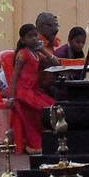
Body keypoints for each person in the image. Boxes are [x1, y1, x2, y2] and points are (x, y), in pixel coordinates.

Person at [10, 23, 56, 153]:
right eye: (30, 36)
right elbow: (15, 76)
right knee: (41, 109)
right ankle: (35, 143)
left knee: (53, 106)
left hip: (34, 91)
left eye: (36, 35)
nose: (34, 39)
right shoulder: (23, 54)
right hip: (24, 92)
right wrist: (12, 97)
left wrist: (42, 50)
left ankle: (50, 138)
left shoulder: (35, 53)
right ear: (23, 40)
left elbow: (56, 62)